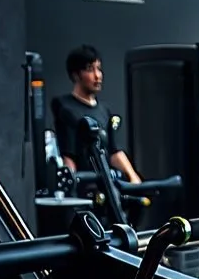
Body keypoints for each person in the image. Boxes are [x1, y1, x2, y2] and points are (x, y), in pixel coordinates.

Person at [53, 45, 141, 183]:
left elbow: (114, 152)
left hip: (106, 185)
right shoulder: (66, 108)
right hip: (85, 185)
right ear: (76, 75)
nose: (97, 75)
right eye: (90, 69)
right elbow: (68, 156)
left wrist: (133, 178)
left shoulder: (104, 111)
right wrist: (71, 185)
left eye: (98, 69)